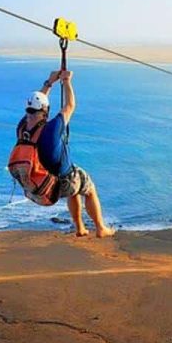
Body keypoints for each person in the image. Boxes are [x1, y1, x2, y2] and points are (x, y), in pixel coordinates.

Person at [14, 70, 115, 238]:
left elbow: (38, 102)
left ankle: (80, 228)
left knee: (74, 189)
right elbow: (70, 106)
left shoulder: (22, 128)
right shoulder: (51, 129)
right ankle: (100, 228)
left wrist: (49, 83)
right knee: (88, 188)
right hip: (62, 182)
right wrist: (66, 81)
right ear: (45, 111)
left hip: (40, 187)